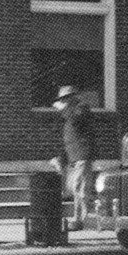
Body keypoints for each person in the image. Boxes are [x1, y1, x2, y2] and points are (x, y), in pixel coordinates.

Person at [51, 84, 95, 230]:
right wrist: (61, 159)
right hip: (74, 158)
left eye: (64, 99)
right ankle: (80, 219)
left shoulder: (81, 109)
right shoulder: (67, 120)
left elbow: (78, 119)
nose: (62, 103)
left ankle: (83, 219)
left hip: (83, 156)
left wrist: (64, 109)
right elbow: (67, 142)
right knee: (76, 189)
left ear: (71, 98)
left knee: (80, 188)